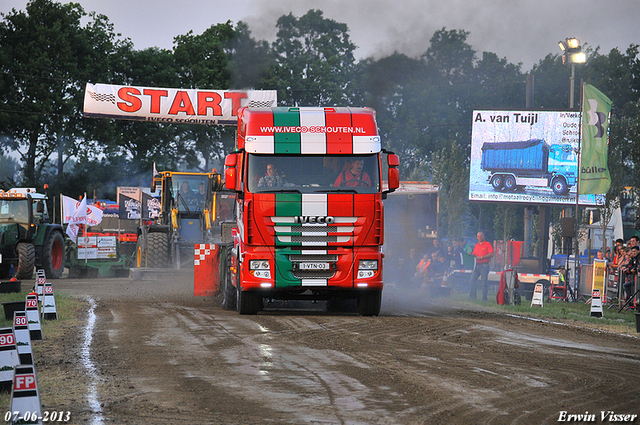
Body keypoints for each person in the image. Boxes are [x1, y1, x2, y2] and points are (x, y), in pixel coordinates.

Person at [469, 231, 494, 301]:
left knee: (484, 283)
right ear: (477, 237)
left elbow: (492, 254)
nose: (480, 237)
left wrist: (482, 257)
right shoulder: (476, 245)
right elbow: (474, 254)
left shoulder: (488, 244)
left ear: (483, 236)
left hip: (484, 265)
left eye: (481, 236)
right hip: (476, 265)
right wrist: (471, 255)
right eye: (478, 236)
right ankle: (473, 297)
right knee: (472, 281)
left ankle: (484, 298)